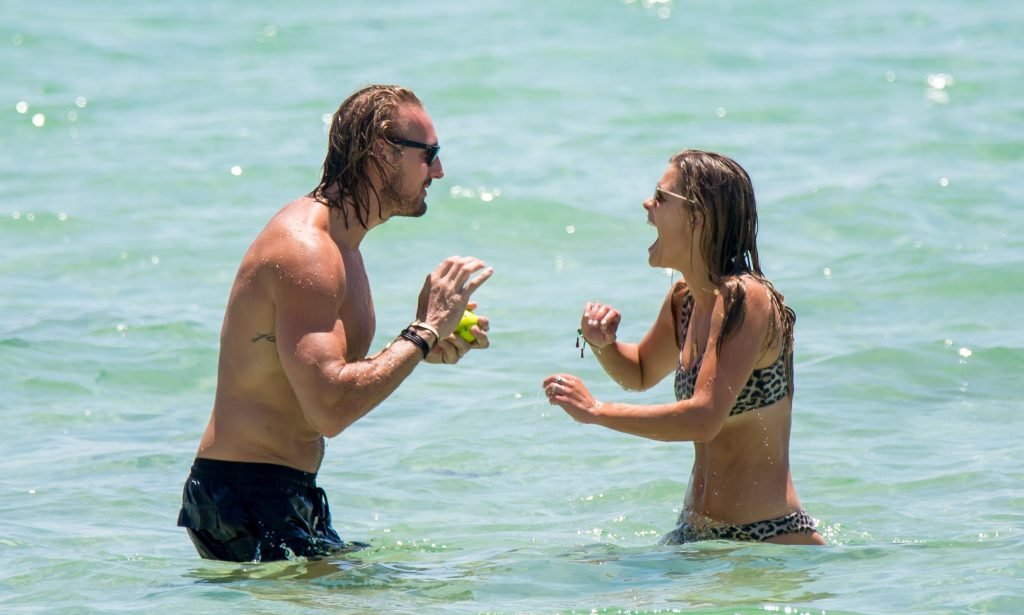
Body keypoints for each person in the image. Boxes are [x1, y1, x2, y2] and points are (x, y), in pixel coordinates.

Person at [177, 84, 493, 562]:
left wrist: (421, 346)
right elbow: (330, 407)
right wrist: (423, 332)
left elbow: (322, 382)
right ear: (380, 153)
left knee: (388, 595)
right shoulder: (307, 250)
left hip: (281, 492)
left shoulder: (344, 247)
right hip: (243, 498)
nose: (440, 170)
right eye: (428, 154)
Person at [543, 149, 824, 546]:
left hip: (767, 539)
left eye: (661, 197)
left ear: (697, 217)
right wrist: (604, 345)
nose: (647, 204)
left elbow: (703, 418)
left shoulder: (748, 298)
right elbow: (640, 372)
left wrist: (595, 411)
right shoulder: (685, 300)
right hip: (698, 536)